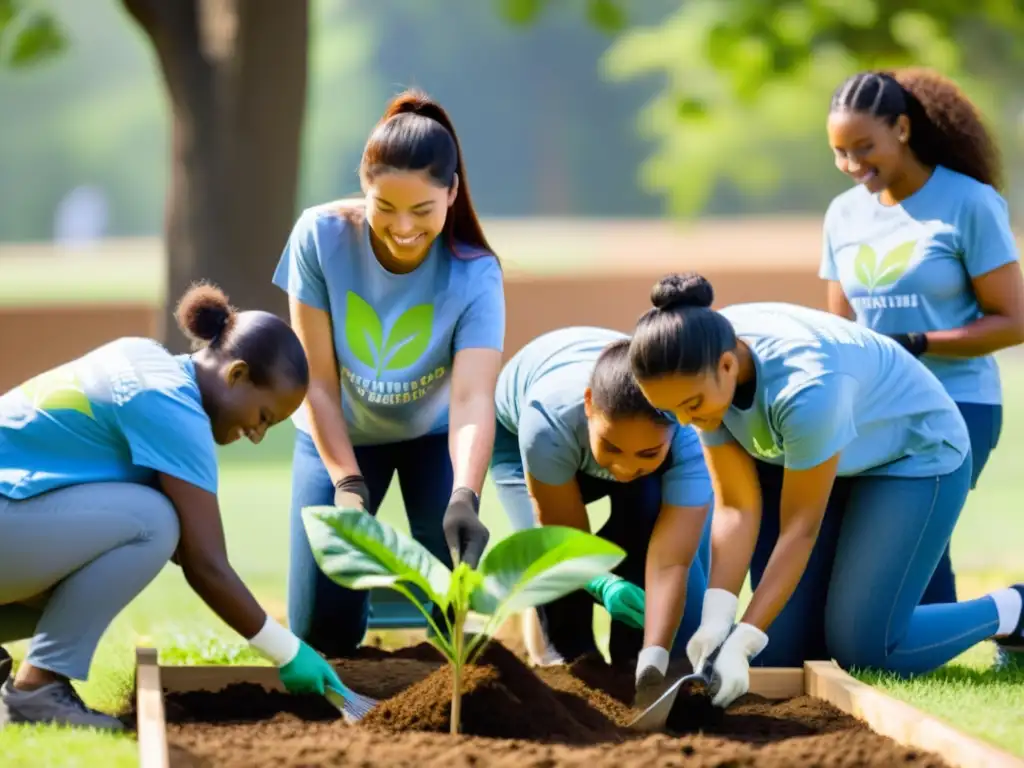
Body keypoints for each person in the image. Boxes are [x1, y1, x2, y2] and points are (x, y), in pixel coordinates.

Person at [627, 272, 1024, 709]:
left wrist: (742, 641)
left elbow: (800, 527)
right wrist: (719, 619)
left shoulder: (805, 388)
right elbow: (737, 507)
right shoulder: (698, 362)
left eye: (692, 406)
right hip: (836, 458)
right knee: (782, 653)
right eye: (670, 410)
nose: (685, 421)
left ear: (727, 365)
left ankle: (1012, 609)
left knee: (867, 649)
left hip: (915, 456)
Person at [0, 283, 345, 730]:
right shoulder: (174, 410)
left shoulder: (145, 358)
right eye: (263, 417)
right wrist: (287, 651)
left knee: (149, 527)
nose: (258, 434)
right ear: (236, 374)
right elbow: (205, 563)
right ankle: (38, 691)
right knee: (154, 523)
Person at [274, 89, 504, 657]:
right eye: (385, 207)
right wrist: (348, 484)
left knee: (453, 607)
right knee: (321, 632)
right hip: (340, 435)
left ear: (452, 193)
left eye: (422, 210)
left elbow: (474, 398)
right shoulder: (319, 237)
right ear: (364, 184)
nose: (402, 228)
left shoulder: (477, 274)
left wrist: (465, 494)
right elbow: (316, 383)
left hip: (432, 439)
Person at [820, 68, 1024, 620]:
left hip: (958, 403)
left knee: (913, 535)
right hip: (877, 407)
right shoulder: (842, 213)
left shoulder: (969, 203)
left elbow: (1013, 321)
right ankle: (1000, 621)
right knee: (898, 549)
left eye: (865, 147)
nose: (852, 164)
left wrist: (917, 341)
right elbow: (842, 326)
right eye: (840, 152)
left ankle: (998, 617)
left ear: (903, 129)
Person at [491, 327, 713, 707]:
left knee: (645, 523)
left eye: (646, 454)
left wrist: (655, 655)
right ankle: (566, 659)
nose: (624, 468)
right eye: (613, 447)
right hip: (528, 445)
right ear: (589, 403)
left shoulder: (690, 444)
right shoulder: (548, 421)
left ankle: (629, 662)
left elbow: (673, 560)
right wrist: (602, 584)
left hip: (605, 441)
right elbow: (561, 535)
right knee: (545, 554)